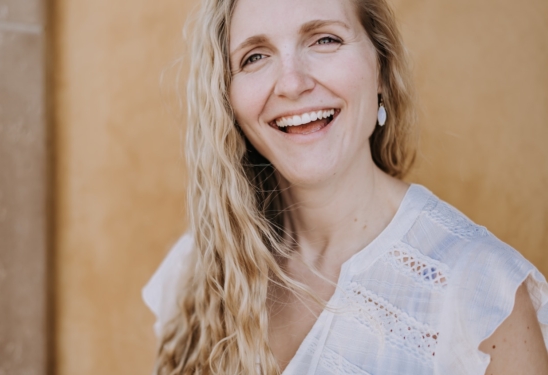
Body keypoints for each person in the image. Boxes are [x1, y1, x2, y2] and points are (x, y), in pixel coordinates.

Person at [143, 0, 548, 373]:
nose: (292, 83)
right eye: (255, 56)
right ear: (227, 99)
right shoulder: (200, 266)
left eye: (324, 39)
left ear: (382, 70)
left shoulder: (481, 291)